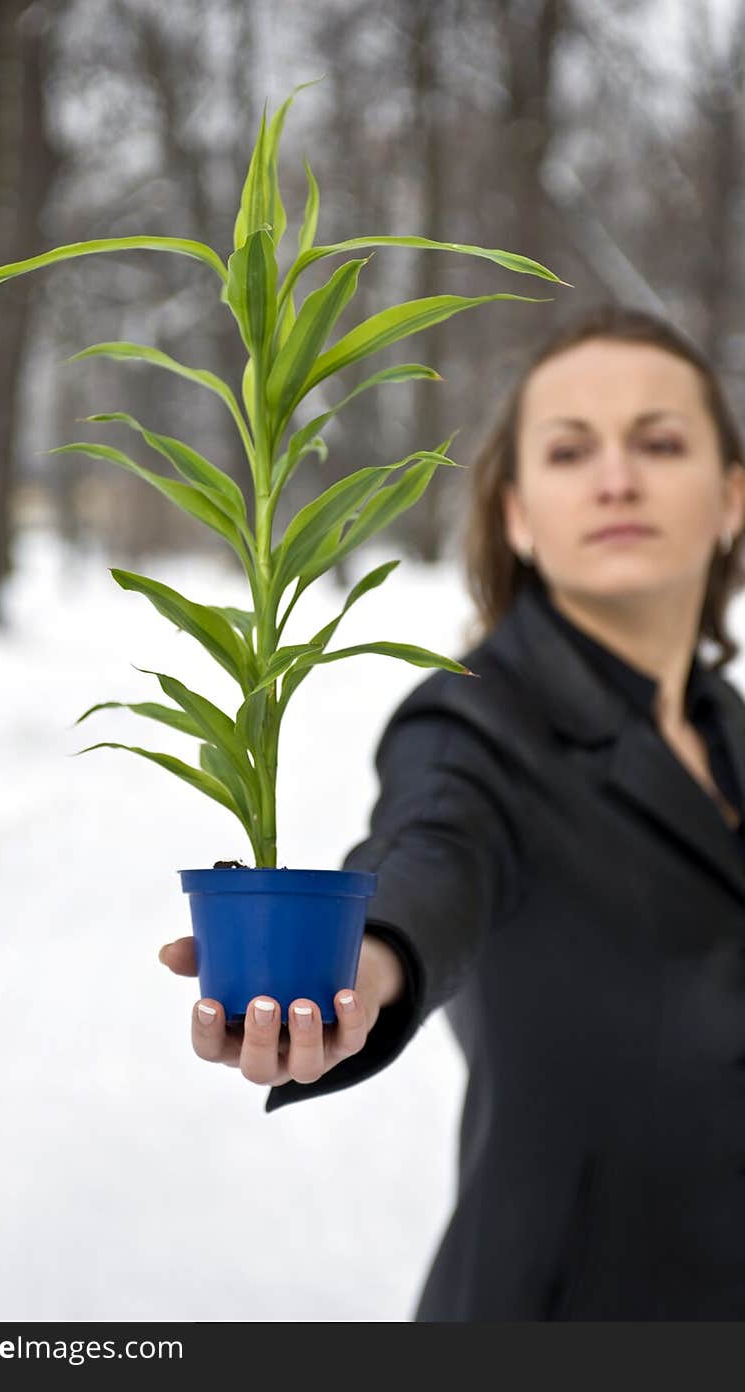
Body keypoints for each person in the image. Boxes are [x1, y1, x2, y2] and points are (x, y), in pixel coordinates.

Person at [158, 302, 745, 1320]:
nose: (617, 477)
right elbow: (433, 844)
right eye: (569, 451)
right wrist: (365, 957)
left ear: (730, 498)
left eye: (659, 442)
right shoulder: (472, 717)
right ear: (515, 512)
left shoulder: (724, 723)